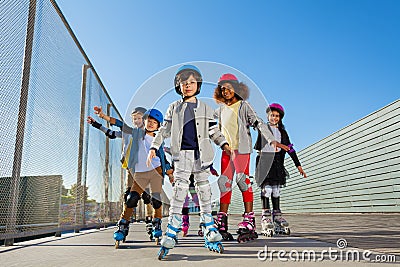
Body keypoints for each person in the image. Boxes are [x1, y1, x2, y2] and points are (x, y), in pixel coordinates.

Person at [147, 65, 231, 259]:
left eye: (192, 82)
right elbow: (163, 131)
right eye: (184, 83)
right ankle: (173, 228)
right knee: (180, 190)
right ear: (179, 86)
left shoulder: (206, 108)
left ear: (198, 85)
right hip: (182, 154)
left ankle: (209, 226)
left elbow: (213, 131)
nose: (188, 86)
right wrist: (154, 147)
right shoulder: (173, 108)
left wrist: (224, 144)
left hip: (202, 155)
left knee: (204, 189)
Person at [213, 73, 289, 242]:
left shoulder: (243, 106)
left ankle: (249, 219)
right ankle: (222, 218)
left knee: (243, 181)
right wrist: (223, 144)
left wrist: (271, 139)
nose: (226, 91)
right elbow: (213, 130)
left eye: (229, 87)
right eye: (223, 88)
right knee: (224, 184)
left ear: (236, 88)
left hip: (242, 150)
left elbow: (258, 122)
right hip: (226, 151)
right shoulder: (219, 111)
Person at [88, 108, 173, 248]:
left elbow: (163, 156)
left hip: (156, 171)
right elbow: (120, 125)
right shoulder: (136, 133)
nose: (151, 124)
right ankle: (123, 224)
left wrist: (169, 172)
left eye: (154, 122)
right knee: (131, 198)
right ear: (144, 122)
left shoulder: (159, 139)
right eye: (149, 121)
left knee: (155, 198)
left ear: (158, 126)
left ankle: (156, 223)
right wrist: (103, 116)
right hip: (139, 172)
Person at [93, 106, 155, 238]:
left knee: (146, 195)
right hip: (131, 168)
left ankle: (150, 219)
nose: (137, 121)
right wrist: (97, 124)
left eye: (139, 118)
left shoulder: (148, 133)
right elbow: (111, 133)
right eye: (134, 119)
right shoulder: (128, 131)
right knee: (129, 196)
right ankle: (124, 222)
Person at [254, 103, 306, 237]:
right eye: (272, 115)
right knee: (267, 189)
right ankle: (265, 216)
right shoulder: (264, 128)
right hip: (265, 162)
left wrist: (298, 165)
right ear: (268, 115)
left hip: (277, 164)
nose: (274, 118)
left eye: (277, 116)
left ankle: (277, 216)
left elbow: (290, 149)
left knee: (276, 190)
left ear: (280, 117)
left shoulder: (283, 132)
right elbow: (265, 142)